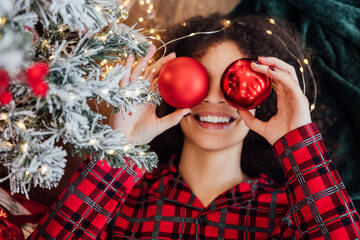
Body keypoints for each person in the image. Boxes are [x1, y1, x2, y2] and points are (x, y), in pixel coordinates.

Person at [30, 13, 360, 239]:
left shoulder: (288, 212)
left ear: (263, 98)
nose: (214, 100)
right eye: (198, 81)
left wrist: (298, 143)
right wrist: (119, 148)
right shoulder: (122, 199)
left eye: (235, 84)